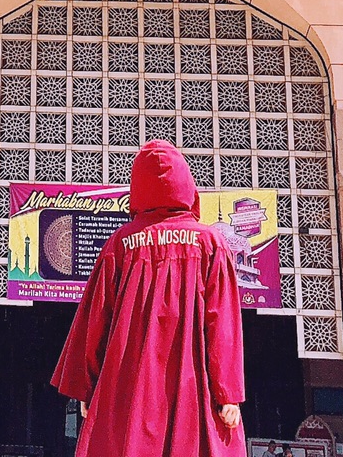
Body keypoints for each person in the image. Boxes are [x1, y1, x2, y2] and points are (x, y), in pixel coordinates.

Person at [51, 140, 245, 457]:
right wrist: (227, 393)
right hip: (190, 384)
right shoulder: (210, 243)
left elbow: (95, 320)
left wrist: (85, 388)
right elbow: (221, 323)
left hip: (129, 385)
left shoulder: (120, 245)